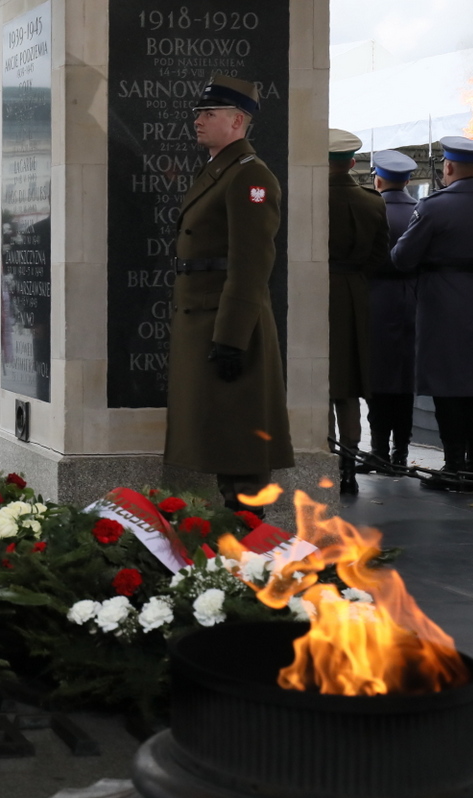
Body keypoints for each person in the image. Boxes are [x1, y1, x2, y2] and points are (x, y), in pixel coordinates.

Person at [163, 74, 294, 512]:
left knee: (238, 440)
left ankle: (249, 541)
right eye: (199, 113)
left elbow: (251, 264)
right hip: (204, 318)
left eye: (209, 113)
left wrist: (231, 337)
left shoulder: (250, 178)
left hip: (229, 324)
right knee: (221, 434)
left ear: (237, 121)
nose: (198, 120)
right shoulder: (221, 170)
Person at [392, 136, 473, 491]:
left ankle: (454, 463)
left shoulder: (433, 207)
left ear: (448, 167)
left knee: (448, 386)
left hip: (444, 307)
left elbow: (402, 258)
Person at [327, 129, 388, 494]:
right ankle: (349, 467)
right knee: (347, 385)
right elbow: (380, 254)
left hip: (315, 293)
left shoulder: (307, 197)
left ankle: (324, 457)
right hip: (354, 294)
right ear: (352, 163)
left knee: (317, 380)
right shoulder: (373, 201)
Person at [360, 150, 418, 474]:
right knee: (405, 380)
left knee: (377, 378)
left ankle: (378, 449)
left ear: (377, 179)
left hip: (375, 299)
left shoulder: (371, 209)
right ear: (408, 180)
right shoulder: (421, 210)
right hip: (413, 300)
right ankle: (401, 451)